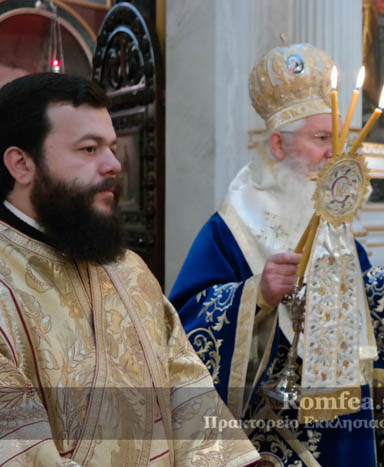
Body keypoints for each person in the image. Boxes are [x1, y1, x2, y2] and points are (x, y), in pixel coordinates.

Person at [169, 43, 384, 467]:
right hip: (268, 426)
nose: (336, 153)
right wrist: (256, 295)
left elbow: (354, 293)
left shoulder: (334, 219)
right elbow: (184, 324)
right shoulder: (231, 227)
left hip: (343, 412)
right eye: (320, 139)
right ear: (279, 144)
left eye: (340, 139)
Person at [0, 73, 259, 466]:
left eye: (112, 147)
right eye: (89, 149)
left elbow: (189, 396)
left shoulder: (129, 270)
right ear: (22, 164)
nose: (114, 165)